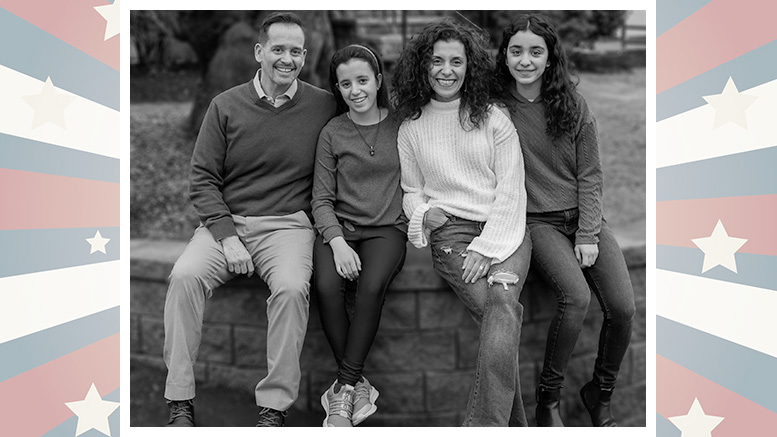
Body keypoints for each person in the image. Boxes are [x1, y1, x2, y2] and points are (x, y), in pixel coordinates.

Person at [162, 12, 337, 427]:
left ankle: (273, 408)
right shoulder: (225, 105)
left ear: (304, 56)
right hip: (228, 224)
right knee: (184, 276)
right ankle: (180, 400)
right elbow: (203, 179)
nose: (287, 59)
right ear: (260, 52)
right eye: (278, 49)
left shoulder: (323, 105)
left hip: (288, 226)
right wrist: (226, 236)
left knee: (293, 289)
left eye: (296, 51)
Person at [493, 14, 636, 427]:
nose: (525, 60)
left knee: (624, 308)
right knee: (576, 298)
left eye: (536, 52)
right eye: (516, 51)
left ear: (550, 58)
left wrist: (589, 232)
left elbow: (590, 174)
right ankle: (548, 401)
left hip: (583, 218)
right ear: (504, 57)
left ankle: (600, 392)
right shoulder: (495, 108)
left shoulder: (572, 104)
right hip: (538, 222)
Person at [392, 18, 532, 427]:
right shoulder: (411, 128)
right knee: (501, 317)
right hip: (451, 235)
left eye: (456, 61)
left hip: (505, 232)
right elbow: (411, 190)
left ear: (470, 66)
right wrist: (422, 213)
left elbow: (512, 188)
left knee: (501, 306)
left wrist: (488, 246)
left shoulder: (493, 118)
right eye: (437, 61)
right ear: (424, 65)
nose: (446, 70)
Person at [311, 44, 407, 427]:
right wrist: (336, 243)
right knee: (326, 286)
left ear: (378, 81)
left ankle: (343, 389)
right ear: (337, 88)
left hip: (387, 230)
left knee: (369, 287)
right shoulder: (332, 132)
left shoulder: (401, 125)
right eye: (345, 83)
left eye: (363, 80)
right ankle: (356, 385)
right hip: (340, 228)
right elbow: (320, 199)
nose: (355, 90)